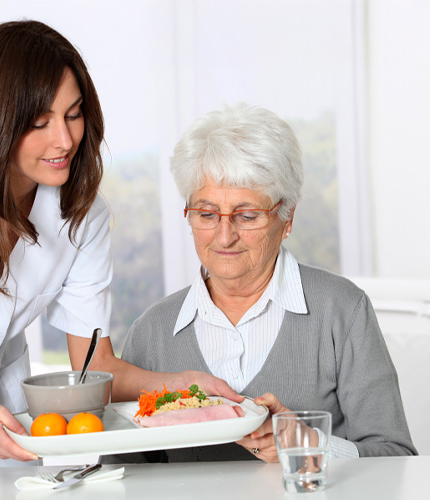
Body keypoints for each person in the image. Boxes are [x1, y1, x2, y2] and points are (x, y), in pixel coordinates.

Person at [0, 20, 238, 471]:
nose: (65, 140)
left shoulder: (81, 213)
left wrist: (186, 386)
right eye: (40, 122)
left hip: (8, 421)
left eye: (73, 114)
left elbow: (97, 365)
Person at [120, 103, 417, 463]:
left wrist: (311, 448)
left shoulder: (343, 311)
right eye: (206, 214)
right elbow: (120, 472)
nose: (224, 236)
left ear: (287, 217)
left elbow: (398, 459)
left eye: (247, 215)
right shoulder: (151, 333)